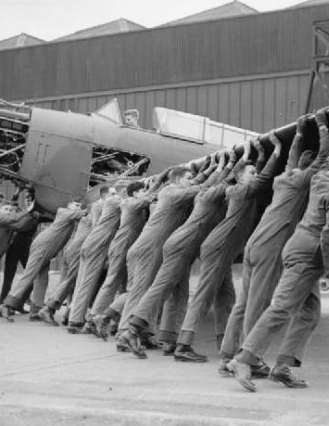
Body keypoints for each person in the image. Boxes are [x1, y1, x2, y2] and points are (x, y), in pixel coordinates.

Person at [227, 102, 329, 392]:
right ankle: (244, 358)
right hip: (310, 254)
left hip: (294, 246)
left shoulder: (319, 176)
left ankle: (283, 366)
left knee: (309, 311)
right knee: (281, 308)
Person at [173, 132, 282, 362]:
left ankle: (226, 347)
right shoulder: (241, 191)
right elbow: (261, 180)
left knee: (226, 298)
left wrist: (259, 156)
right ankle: (183, 346)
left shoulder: (238, 187)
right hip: (220, 246)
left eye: (255, 171)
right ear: (241, 177)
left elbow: (253, 175)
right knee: (204, 295)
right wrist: (276, 153)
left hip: (220, 246)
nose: (255, 174)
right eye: (251, 172)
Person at [122, 149, 237, 358]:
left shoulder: (172, 191)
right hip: (172, 245)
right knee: (157, 287)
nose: (191, 180)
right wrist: (226, 168)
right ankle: (131, 330)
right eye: (188, 178)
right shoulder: (172, 193)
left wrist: (212, 167)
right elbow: (202, 187)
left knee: (178, 293)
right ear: (176, 180)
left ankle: (168, 338)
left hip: (173, 244)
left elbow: (197, 183)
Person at [0, 201, 85, 320]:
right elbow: (84, 213)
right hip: (43, 246)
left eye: (79, 206)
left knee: (42, 278)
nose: (78, 207)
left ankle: (36, 310)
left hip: (47, 248)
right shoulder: (64, 212)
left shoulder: (70, 216)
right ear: (68, 206)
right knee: (29, 275)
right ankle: (7, 304)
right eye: (76, 205)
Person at [88, 181, 154, 336]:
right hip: (123, 244)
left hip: (128, 244)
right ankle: (95, 317)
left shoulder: (134, 203)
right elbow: (147, 199)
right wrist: (156, 188)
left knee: (126, 286)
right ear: (135, 193)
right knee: (112, 281)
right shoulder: (129, 202)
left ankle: (115, 321)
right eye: (143, 190)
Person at [66, 184, 122, 333]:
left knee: (81, 282)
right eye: (113, 193)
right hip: (98, 244)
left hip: (90, 243)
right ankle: (76, 321)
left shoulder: (96, 206)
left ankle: (74, 317)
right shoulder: (105, 205)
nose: (116, 196)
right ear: (105, 195)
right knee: (87, 283)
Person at [0, 189, 38, 307]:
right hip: (13, 247)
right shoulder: (19, 211)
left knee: (31, 277)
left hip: (26, 249)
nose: (28, 202)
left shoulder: (37, 215)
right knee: (8, 277)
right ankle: (2, 303)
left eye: (31, 200)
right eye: (27, 200)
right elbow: (11, 204)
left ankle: (20, 303)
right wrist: (17, 191)